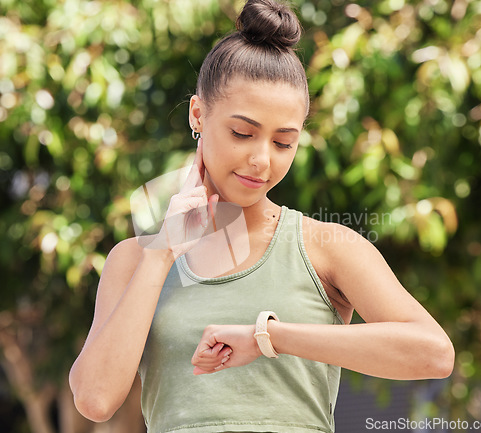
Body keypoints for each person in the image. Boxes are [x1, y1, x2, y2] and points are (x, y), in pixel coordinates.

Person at [69, 0, 455, 432]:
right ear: (198, 114)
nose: (261, 160)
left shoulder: (325, 247)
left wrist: (269, 336)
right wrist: (162, 252)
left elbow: (433, 353)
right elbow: (96, 399)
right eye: (242, 133)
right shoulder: (134, 259)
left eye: (283, 142)